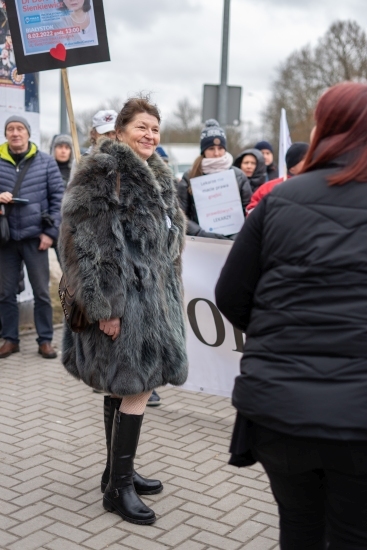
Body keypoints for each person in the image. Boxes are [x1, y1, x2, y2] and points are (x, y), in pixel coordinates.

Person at [215, 81, 367, 549]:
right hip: (356, 421)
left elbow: (231, 296)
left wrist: (279, 330)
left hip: (280, 411)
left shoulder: (279, 200)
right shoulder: (278, 198)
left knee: (298, 530)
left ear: (325, 129)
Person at [58, 96, 188, 525]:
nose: (149, 135)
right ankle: (118, 489)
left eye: (154, 128)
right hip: (121, 304)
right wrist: (105, 308)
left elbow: (166, 236)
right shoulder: (103, 172)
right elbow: (87, 245)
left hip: (151, 301)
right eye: (141, 127)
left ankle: (118, 471)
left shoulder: (157, 174)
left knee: (126, 385)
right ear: (119, 131)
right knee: (136, 386)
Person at [0, 116, 64, 359]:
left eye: (20, 129)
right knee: (5, 293)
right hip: (6, 240)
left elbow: (59, 200)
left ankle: (45, 340)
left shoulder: (46, 163)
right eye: (10, 129)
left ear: (28, 134)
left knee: (41, 293)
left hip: (36, 238)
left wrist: (50, 234)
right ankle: (10, 339)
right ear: (6, 134)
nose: (15, 133)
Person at [178, 119, 252, 240]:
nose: (217, 153)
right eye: (211, 148)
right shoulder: (190, 176)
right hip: (201, 242)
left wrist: (237, 234)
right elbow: (180, 214)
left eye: (220, 148)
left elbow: (249, 210)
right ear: (204, 151)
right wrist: (199, 233)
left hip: (234, 241)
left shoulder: (238, 175)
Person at [246, 142, 309, 215]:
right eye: (306, 159)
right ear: (292, 168)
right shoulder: (269, 188)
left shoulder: (321, 185)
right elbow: (252, 212)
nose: (312, 162)